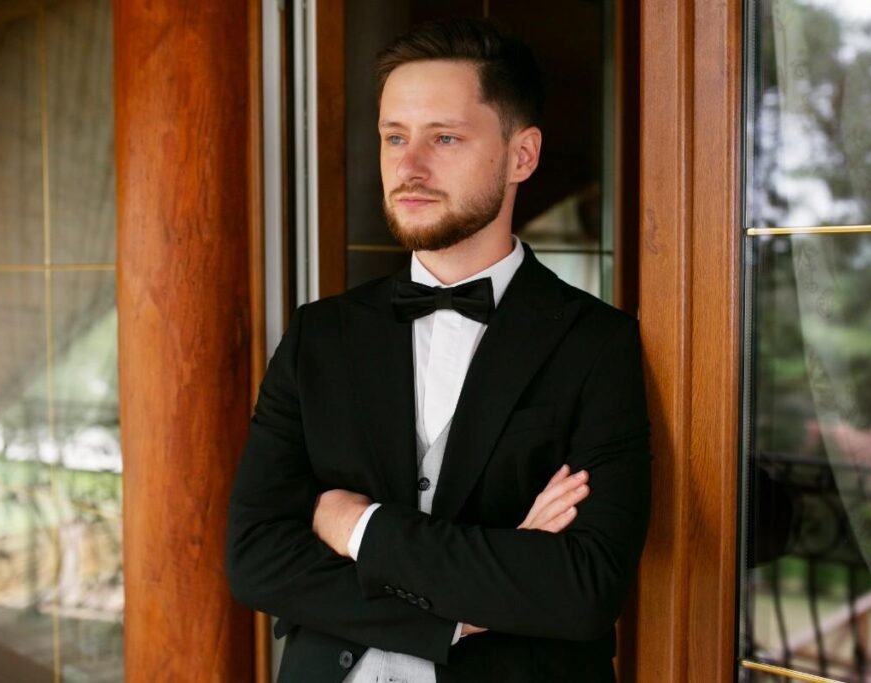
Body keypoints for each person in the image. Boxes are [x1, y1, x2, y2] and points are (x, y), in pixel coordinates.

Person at [226, 18, 650, 683]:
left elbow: (582, 586)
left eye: (444, 138)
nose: (408, 166)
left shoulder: (597, 343)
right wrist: (472, 599)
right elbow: (255, 558)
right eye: (394, 137)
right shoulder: (319, 336)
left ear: (522, 156)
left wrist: (357, 525)